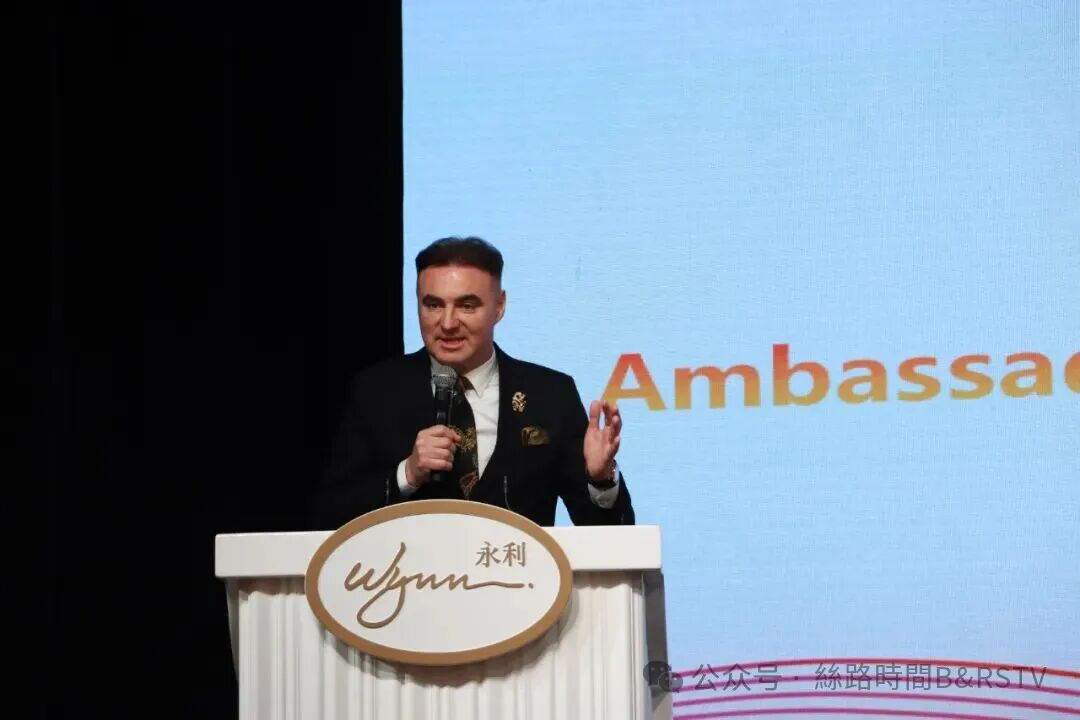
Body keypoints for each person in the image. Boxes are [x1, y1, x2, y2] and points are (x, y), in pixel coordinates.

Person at [309, 236, 635, 529]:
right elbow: (328, 516)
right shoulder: (377, 391)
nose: (448, 323)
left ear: (499, 306)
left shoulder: (550, 394)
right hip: (409, 575)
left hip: (518, 575)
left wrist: (601, 479)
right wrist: (407, 474)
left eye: (467, 305)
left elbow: (610, 536)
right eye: (433, 305)